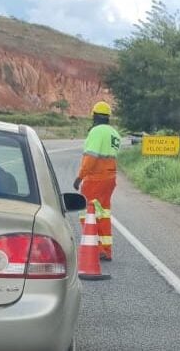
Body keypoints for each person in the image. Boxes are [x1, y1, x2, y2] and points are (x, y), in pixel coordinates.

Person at [73, 101, 121, 261]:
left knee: (87, 213)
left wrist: (80, 177)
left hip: (95, 179)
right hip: (110, 179)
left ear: (94, 116)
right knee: (104, 214)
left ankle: (96, 248)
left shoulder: (96, 132)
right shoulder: (114, 133)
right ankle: (106, 250)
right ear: (108, 117)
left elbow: (91, 158)